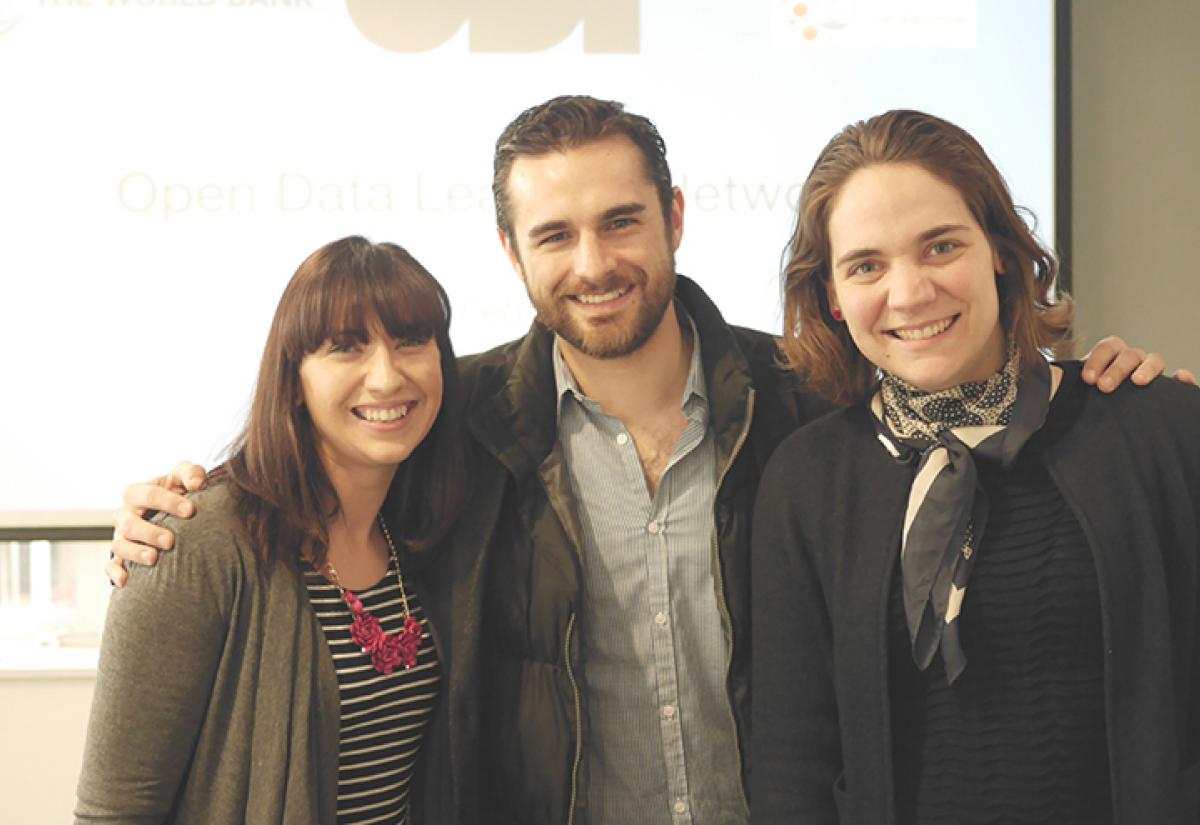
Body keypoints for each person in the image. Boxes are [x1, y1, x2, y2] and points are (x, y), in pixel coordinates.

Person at [106, 97, 1180, 825]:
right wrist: (180, 505)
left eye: (622, 221)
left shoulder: (807, 405)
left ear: (671, 219)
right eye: (556, 234)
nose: (595, 263)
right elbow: (327, 455)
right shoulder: (457, 419)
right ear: (512, 255)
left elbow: (962, 388)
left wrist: (1106, 381)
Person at [751, 109, 1200, 824]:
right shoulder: (807, 479)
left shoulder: (1155, 426)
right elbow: (791, 758)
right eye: (867, 265)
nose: (909, 292)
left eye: (939, 246)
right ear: (833, 296)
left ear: (997, 248)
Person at [76, 237, 466, 824]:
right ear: (295, 379)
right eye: (345, 347)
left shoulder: (419, 536)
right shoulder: (196, 542)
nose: (386, 378)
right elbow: (115, 811)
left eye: (410, 341)